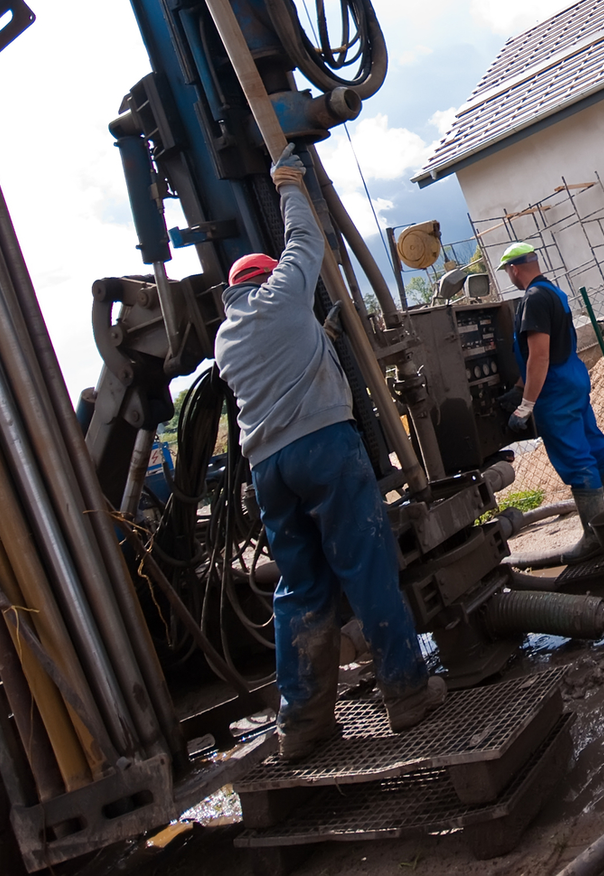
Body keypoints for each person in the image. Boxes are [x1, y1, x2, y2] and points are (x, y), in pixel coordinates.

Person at [216, 151, 447, 758]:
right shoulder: (280, 297)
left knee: (300, 589)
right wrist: (289, 184)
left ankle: (306, 723)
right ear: (264, 280)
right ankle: (407, 693)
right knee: (365, 567)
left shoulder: (227, 338)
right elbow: (304, 239)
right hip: (324, 449)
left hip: (269, 468)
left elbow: (287, 355)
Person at [500, 243, 604, 544]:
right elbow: (553, 346)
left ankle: (596, 537)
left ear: (513, 269)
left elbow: (540, 356)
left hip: (554, 388)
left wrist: (525, 405)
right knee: (595, 445)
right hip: (572, 375)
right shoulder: (554, 293)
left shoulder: (532, 299)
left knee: (575, 458)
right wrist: (520, 385)